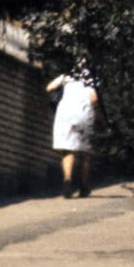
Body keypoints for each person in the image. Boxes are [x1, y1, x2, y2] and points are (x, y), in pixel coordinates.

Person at [45, 68, 97, 197]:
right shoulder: (92, 77)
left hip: (65, 114)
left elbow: (49, 87)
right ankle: (83, 186)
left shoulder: (67, 76)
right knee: (84, 152)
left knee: (68, 150)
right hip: (84, 114)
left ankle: (67, 180)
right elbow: (94, 98)